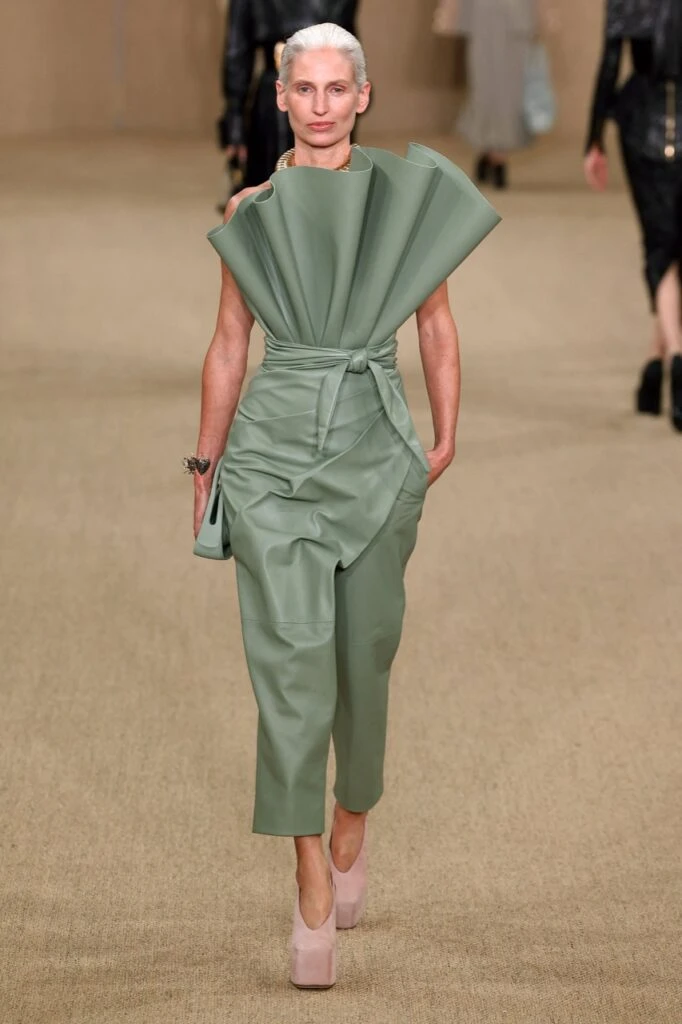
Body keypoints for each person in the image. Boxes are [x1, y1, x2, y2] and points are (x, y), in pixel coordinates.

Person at [191, 23, 500, 989]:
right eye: (304, 88)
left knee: (364, 661)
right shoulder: (251, 209)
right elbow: (230, 342)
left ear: (363, 97)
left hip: (374, 449)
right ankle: (309, 873)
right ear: (280, 97)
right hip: (272, 458)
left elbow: (436, 324)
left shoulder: (400, 207)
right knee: (289, 669)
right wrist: (207, 460)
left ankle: (352, 814)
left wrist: (443, 434)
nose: (320, 105)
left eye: (337, 88)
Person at [585, 0, 682, 431]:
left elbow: (610, 63)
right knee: (673, 248)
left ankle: (668, 358)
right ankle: (660, 361)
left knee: (661, 246)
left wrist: (593, 139)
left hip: (641, 124)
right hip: (650, 119)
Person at [217, 0, 359, 192]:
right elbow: (237, 51)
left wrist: (235, 122)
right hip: (290, 93)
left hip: (291, 89)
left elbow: (237, 51)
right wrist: (235, 121)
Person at [433, 0, 557, 189]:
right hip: (482, 17)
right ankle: (490, 152)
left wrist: (545, 14)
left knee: (510, 92)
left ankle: (497, 155)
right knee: (485, 88)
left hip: (515, 19)